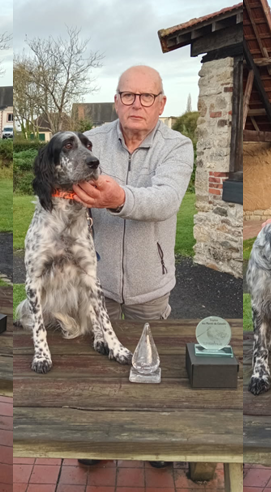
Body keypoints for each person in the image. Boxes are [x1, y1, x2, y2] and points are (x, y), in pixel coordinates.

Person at [71, 65, 194, 469]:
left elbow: (166, 199)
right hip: (96, 281)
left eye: (146, 97)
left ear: (161, 104)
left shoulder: (178, 146)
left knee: (152, 362)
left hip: (150, 284)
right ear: (115, 100)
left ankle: (152, 439)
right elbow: (72, 185)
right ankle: (98, 437)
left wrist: (117, 197)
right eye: (128, 95)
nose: (136, 104)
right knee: (98, 361)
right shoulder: (91, 142)